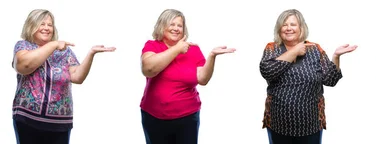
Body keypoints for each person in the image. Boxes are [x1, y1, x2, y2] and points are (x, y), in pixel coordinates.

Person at [11, 9, 116, 144]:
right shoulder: (23, 46)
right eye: (42, 24)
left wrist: (91, 53)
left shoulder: (65, 51)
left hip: (59, 122)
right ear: (32, 25)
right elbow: (24, 66)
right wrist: (53, 44)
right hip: (28, 120)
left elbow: (77, 77)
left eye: (50, 25)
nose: (46, 28)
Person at [259, 9, 357, 144]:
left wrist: (336, 56)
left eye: (293, 24)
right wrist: (295, 51)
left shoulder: (315, 49)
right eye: (284, 24)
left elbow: (330, 80)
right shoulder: (272, 48)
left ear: (301, 28)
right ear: (279, 28)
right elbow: (268, 71)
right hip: (278, 124)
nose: (288, 28)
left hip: (311, 125)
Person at [139, 9, 236, 144]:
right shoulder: (152, 45)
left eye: (180, 25)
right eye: (172, 24)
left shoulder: (193, 49)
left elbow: (202, 79)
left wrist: (212, 56)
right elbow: (148, 69)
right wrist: (177, 49)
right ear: (162, 25)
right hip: (154, 117)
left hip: (188, 117)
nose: (176, 29)